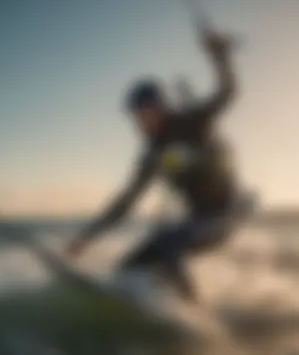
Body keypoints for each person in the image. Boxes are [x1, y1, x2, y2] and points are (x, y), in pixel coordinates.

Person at [66, 28, 238, 302]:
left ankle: (194, 317)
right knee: (132, 265)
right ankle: (156, 309)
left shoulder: (191, 122)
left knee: (168, 241)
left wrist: (220, 57)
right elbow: (125, 202)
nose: (141, 121)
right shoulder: (152, 155)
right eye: (136, 116)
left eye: (146, 113)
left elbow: (227, 93)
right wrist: (87, 237)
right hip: (195, 222)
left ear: (161, 107)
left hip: (223, 215)